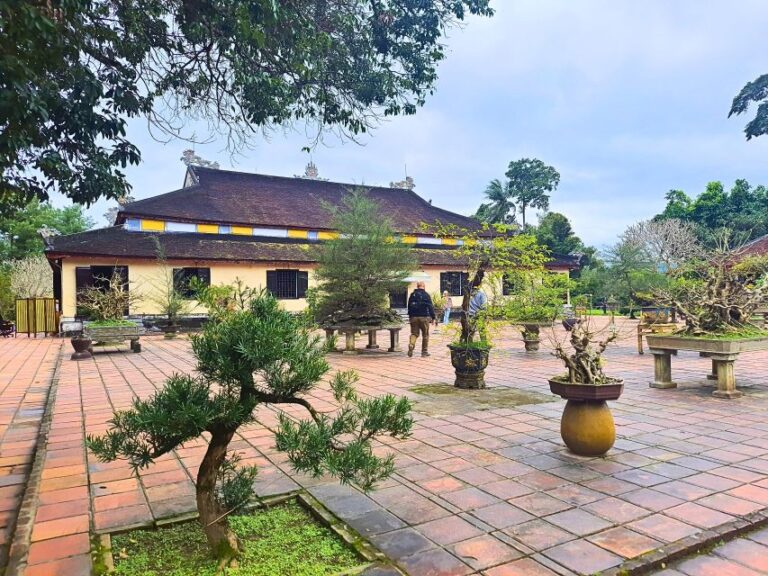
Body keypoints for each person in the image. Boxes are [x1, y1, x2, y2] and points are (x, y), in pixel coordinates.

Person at [407, 281, 435, 357]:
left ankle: (411, 344)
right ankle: (424, 352)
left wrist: (410, 316)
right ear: (423, 286)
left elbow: (409, 306)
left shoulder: (412, 295)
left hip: (413, 317)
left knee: (414, 334)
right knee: (425, 335)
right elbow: (430, 307)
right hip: (424, 317)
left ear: (417, 286)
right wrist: (433, 317)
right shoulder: (426, 295)